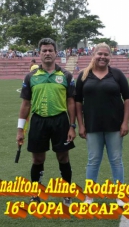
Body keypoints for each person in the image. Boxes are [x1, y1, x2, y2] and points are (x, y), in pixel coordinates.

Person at [16, 38, 76, 206]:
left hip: (60, 121)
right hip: (38, 122)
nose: (47, 53)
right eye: (44, 50)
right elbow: (25, 104)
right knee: (37, 159)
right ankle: (36, 193)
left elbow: (71, 102)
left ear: (56, 53)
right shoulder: (31, 77)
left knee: (63, 157)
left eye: (50, 50)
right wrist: (20, 130)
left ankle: (67, 193)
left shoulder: (66, 75)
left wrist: (72, 126)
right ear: (39, 53)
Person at [75, 42, 129, 206]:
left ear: (110, 57)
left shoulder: (117, 74)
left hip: (114, 125)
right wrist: (81, 124)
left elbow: (127, 99)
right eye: (100, 54)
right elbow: (77, 101)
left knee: (116, 160)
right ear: (93, 54)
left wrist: (125, 122)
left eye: (106, 55)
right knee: (93, 160)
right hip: (92, 126)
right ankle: (89, 196)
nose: (102, 57)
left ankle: (120, 195)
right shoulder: (84, 75)